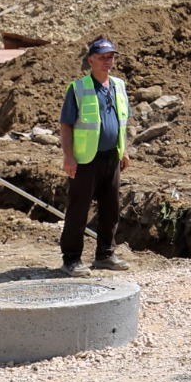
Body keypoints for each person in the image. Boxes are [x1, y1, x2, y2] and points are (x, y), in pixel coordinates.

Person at [59, 37, 130, 274]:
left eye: (110, 57)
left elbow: (122, 121)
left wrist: (124, 150)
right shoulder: (78, 88)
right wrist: (68, 157)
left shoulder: (119, 85)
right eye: (102, 57)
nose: (107, 62)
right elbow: (66, 125)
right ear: (91, 60)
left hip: (112, 157)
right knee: (78, 210)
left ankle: (105, 255)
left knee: (111, 208)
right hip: (85, 160)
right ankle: (71, 259)